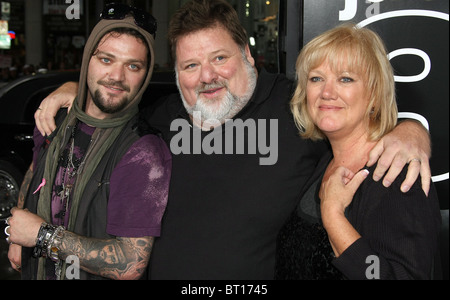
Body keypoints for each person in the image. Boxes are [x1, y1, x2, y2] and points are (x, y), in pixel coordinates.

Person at [33, 0, 432, 280]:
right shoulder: (161, 117)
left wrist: (411, 133)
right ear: (177, 74)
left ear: (246, 53)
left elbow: (348, 109)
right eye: (191, 65)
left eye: (220, 58)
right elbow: (112, 97)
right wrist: (75, 88)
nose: (207, 76)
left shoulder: (295, 104)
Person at [5, 4, 172, 280]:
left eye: (133, 65)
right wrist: (16, 233)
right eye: (106, 59)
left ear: (145, 74)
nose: (117, 77)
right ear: (88, 61)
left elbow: (130, 262)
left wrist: (41, 235)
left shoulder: (143, 152)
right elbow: (36, 170)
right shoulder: (57, 118)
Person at [275, 24, 441, 280]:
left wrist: (333, 216)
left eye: (345, 79)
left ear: (374, 94)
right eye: (316, 78)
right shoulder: (325, 159)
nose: (326, 93)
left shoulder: (397, 175)